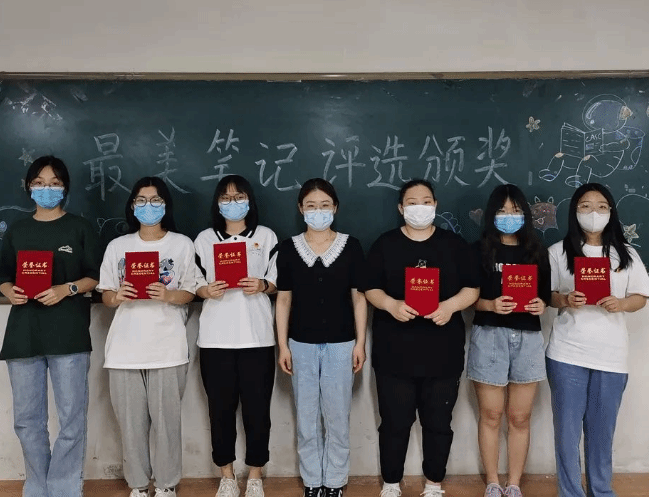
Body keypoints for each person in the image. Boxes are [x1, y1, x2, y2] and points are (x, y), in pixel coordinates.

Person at [363, 179, 480, 498]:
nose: (420, 208)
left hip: (443, 352)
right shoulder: (385, 244)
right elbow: (370, 287)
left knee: (439, 423)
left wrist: (450, 306)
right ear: (401, 208)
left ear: (435, 205)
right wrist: (391, 304)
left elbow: (472, 288)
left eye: (426, 201)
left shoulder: (454, 245)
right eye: (412, 202)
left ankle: (433, 484)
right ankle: (391, 483)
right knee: (394, 423)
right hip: (393, 353)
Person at [0, 155, 100, 497]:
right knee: (27, 421)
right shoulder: (18, 229)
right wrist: (10, 291)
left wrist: (66, 289)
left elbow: (94, 276)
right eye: (39, 183)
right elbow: (3, 275)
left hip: (68, 334)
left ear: (65, 187)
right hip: (23, 334)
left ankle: (65, 488)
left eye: (54, 183)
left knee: (72, 419)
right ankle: (38, 487)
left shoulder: (80, 227)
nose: (47, 189)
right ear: (29, 187)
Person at [546, 183, 649, 497]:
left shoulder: (626, 253)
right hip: (567, 353)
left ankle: (601, 491)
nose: (593, 213)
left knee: (602, 432)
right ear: (574, 211)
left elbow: (640, 297)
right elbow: (548, 296)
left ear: (611, 212)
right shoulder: (558, 251)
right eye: (585, 206)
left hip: (611, 355)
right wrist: (566, 299)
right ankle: (570, 492)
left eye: (601, 206)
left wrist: (621, 303)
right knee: (567, 433)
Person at [97, 177, 199, 498]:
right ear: (132, 206)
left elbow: (191, 291)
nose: (148, 206)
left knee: (167, 423)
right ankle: (139, 486)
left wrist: (168, 295)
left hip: (167, 346)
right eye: (141, 200)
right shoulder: (118, 247)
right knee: (131, 424)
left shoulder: (181, 244)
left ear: (166, 205)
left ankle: (167, 484)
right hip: (124, 349)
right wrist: (118, 296)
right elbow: (106, 294)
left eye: (155, 200)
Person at [276, 178, 368, 498]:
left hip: (342, 343)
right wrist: (283, 345)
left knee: (337, 414)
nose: (318, 211)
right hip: (300, 343)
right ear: (301, 209)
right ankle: (313, 480)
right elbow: (283, 300)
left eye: (325, 205)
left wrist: (360, 342)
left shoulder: (351, 246)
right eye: (311, 206)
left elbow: (359, 298)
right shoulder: (288, 248)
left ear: (335, 208)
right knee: (306, 416)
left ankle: (335, 481)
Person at [193, 175, 279, 498]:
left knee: (258, 412)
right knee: (220, 411)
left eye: (239, 196)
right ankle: (227, 476)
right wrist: (206, 290)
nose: (233, 203)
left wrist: (262, 285)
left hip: (257, 338)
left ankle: (255, 475)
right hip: (215, 339)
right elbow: (192, 282)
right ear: (217, 203)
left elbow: (277, 281)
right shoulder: (204, 239)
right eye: (226, 198)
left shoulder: (266, 236)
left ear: (249, 200)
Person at [468, 184, 551, 498]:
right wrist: (490, 305)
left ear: (525, 214)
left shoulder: (537, 251)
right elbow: (468, 299)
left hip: (527, 338)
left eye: (515, 210)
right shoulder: (478, 251)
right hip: (490, 336)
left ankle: (514, 483)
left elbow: (545, 297)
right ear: (491, 214)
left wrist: (541, 305)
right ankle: (492, 482)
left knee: (520, 416)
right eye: (502, 211)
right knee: (491, 415)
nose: (509, 216)